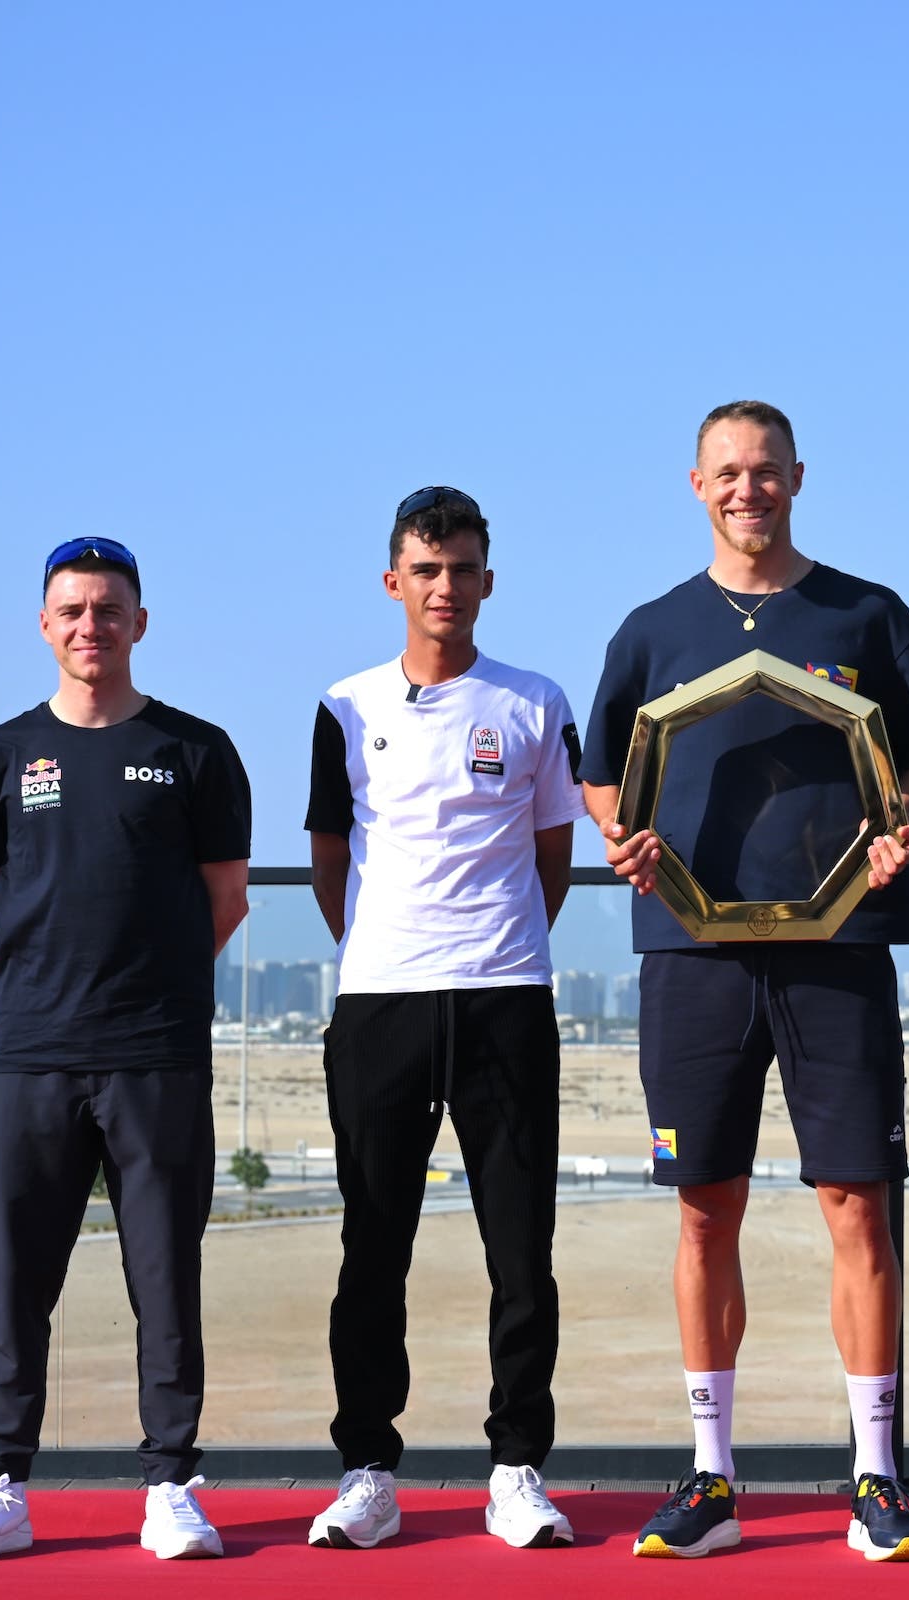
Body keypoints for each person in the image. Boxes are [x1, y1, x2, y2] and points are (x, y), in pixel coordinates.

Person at [579, 400, 909, 1562]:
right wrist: (623, 837)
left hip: (840, 948)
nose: (749, 489)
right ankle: (711, 1476)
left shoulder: (869, 613)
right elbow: (606, 777)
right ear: (696, 485)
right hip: (692, 954)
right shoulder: (651, 630)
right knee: (705, 1208)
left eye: (768, 472)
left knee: (858, 1205)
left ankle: (878, 1477)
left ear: (800, 478)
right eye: (728, 473)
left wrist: (898, 824)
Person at [0, 537, 251, 1562]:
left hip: (156, 1056)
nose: (90, 627)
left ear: (140, 623)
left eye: (109, 610)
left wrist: (145, 988)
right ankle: (0, 1486)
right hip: (31, 1057)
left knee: (165, 1275)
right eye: (71, 611)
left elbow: (226, 898)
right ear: (44, 624)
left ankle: (171, 1481)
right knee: (17, 1279)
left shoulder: (197, 751)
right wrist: (48, 987)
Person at [302, 486, 583, 1552]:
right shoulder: (343, 705)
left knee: (522, 1249)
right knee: (374, 1244)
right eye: (426, 570)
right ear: (393, 582)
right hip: (380, 1002)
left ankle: (517, 1467)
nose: (446, 588)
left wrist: (493, 942)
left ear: (488, 580)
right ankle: (368, 1467)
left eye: (463, 569)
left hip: (508, 998)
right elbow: (332, 859)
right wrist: (383, 949)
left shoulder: (534, 701)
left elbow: (552, 858)